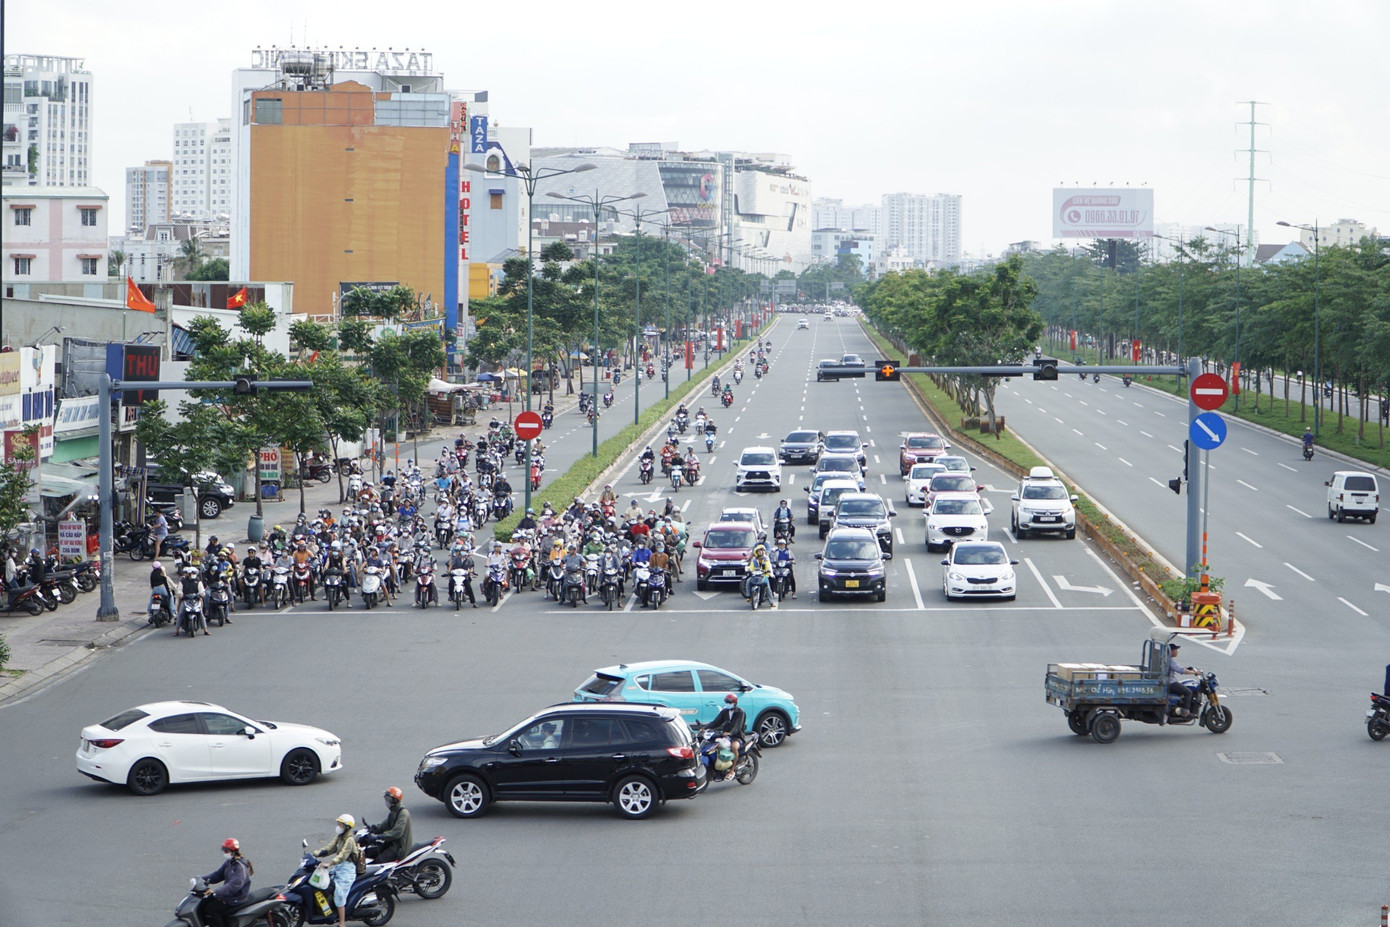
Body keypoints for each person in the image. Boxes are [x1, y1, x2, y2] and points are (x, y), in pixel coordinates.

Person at [313, 814, 363, 927]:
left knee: (339, 893)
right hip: (339, 867)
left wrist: (329, 863)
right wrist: (316, 854)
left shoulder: (349, 840)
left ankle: (342, 923)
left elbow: (342, 856)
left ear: (346, 827)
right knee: (325, 885)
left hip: (347, 869)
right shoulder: (340, 837)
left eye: (340, 824)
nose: (338, 826)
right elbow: (330, 848)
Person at [199, 837, 253, 927]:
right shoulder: (229, 862)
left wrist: (215, 891)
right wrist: (202, 879)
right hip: (228, 896)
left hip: (235, 899)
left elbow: (234, 886)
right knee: (204, 902)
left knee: (210, 909)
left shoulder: (240, 867)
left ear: (233, 851)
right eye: (224, 851)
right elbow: (217, 875)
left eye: (227, 851)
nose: (225, 853)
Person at [365, 787, 413, 863]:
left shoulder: (403, 813)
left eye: (388, 799)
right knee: (369, 853)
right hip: (391, 843)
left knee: (379, 861)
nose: (387, 801)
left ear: (394, 800)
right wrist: (372, 828)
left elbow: (397, 832)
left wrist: (379, 836)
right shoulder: (393, 812)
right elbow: (384, 825)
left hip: (399, 847)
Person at [1166, 642, 1199, 716]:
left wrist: (1187, 668)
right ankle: (1185, 712)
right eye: (1176, 650)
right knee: (1188, 692)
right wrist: (1194, 672)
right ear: (1171, 651)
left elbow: (1178, 668)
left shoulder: (1166, 658)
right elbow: (1181, 670)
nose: (1177, 652)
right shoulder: (1170, 660)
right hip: (1170, 683)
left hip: (1167, 681)